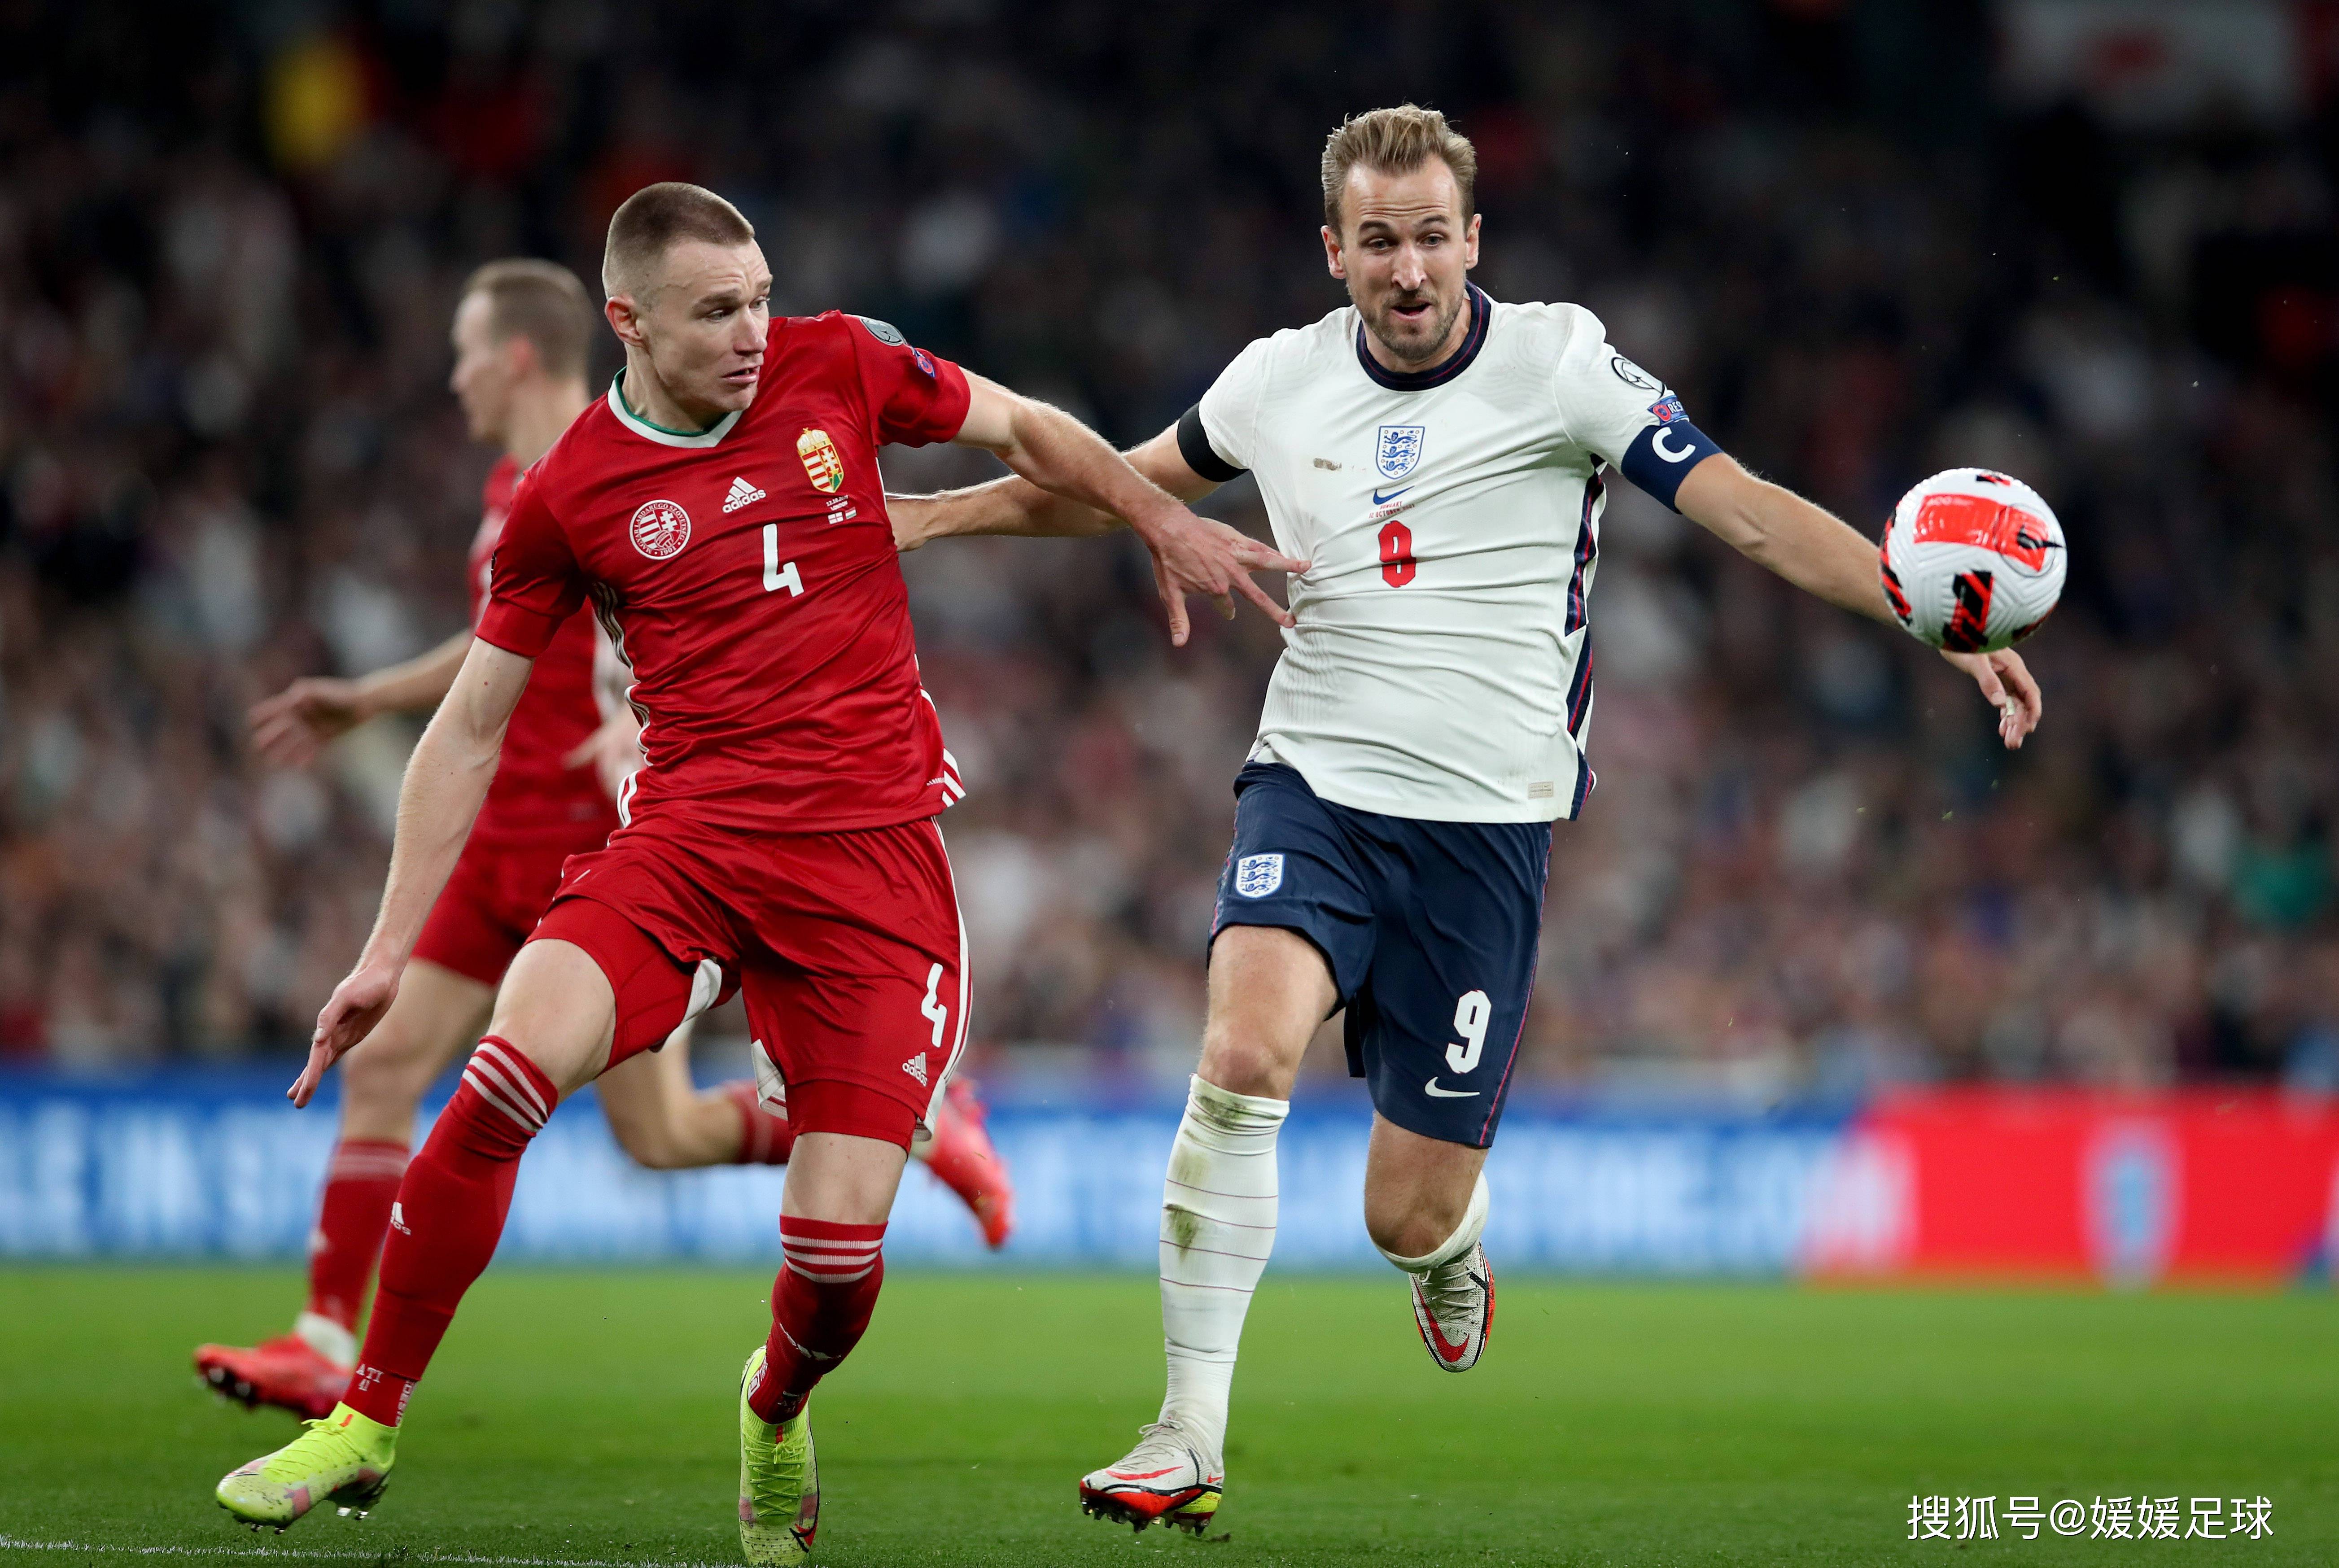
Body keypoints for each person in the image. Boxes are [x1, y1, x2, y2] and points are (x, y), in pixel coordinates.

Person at [892, 103, 2046, 1536]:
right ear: (1335, 252)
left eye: (1434, 236)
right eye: (1379, 241)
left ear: (1473, 240)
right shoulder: (1278, 382)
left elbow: (1741, 509)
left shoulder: (1565, 363)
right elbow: (1118, 489)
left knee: (1404, 1215)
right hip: (1311, 786)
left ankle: (1453, 1252)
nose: (1411, 268)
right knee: (1242, 1051)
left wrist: (1914, 608)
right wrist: (931, 520)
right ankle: (1184, 1433)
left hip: (1485, 835)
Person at [212, 183, 1299, 1563]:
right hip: (686, 843)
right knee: (501, 1071)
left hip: (870, 865)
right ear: (627, 322)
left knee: (837, 1271)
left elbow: (1024, 425)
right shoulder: (571, 496)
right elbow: (473, 723)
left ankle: (774, 1407)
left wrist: (1160, 516)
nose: (750, 331)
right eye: (717, 311)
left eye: (760, 298)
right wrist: (381, 950)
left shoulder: (838, 360)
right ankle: (363, 1421)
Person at [196, 260, 1017, 1427]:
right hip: (499, 842)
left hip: (613, 835)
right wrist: (376, 697)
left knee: (663, 1135)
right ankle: (333, 1342)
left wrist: (632, 742)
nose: (454, 377)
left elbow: (670, 630)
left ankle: (915, 1121)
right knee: (390, 1068)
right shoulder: (523, 491)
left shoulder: (628, 465)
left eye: (467, 354)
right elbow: (497, 650)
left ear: (518, 355)